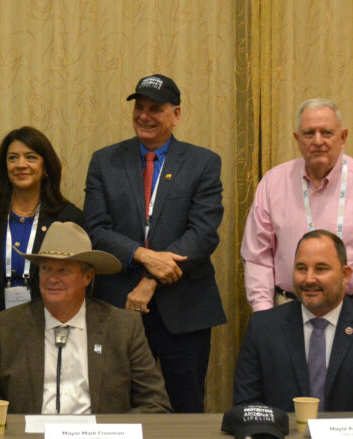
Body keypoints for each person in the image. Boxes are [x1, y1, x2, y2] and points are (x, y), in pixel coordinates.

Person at [83, 73, 225, 413]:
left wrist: (151, 279)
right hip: (119, 306)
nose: (144, 116)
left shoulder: (203, 162)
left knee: (186, 410)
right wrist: (142, 255)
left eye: (155, 109)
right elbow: (96, 228)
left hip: (185, 307)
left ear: (176, 115)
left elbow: (203, 232)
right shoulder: (105, 161)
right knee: (117, 407)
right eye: (139, 108)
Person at [0, 221, 171, 414]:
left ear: (87, 277)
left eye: (63, 270)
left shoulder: (123, 327)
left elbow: (155, 404)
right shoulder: (5, 327)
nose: (52, 279)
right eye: (46, 269)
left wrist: (111, 432)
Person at [241, 98, 353, 311]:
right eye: (309, 133)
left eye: (326, 133)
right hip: (287, 310)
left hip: (351, 309)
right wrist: (264, 313)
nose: (318, 141)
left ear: (343, 137)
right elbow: (256, 258)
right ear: (297, 139)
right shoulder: (273, 184)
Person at [233, 230, 353, 412]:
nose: (309, 279)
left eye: (321, 269)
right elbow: (247, 405)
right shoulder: (263, 328)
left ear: (345, 275)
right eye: (301, 268)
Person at [0, 126, 84, 370]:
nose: (20, 164)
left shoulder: (68, 218)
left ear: (45, 166)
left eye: (31, 157)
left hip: (50, 337)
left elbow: (77, 286)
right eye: (13, 158)